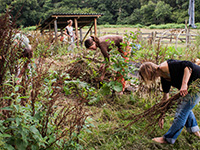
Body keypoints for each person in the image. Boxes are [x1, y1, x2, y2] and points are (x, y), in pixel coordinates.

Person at [139, 59, 200, 144]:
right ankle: (195, 131)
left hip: (198, 82)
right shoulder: (164, 78)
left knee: (181, 111)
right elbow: (165, 98)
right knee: (185, 108)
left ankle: (168, 139)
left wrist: (184, 84)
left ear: (148, 72)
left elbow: (188, 66)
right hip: (193, 86)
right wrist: (162, 115)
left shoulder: (165, 67)